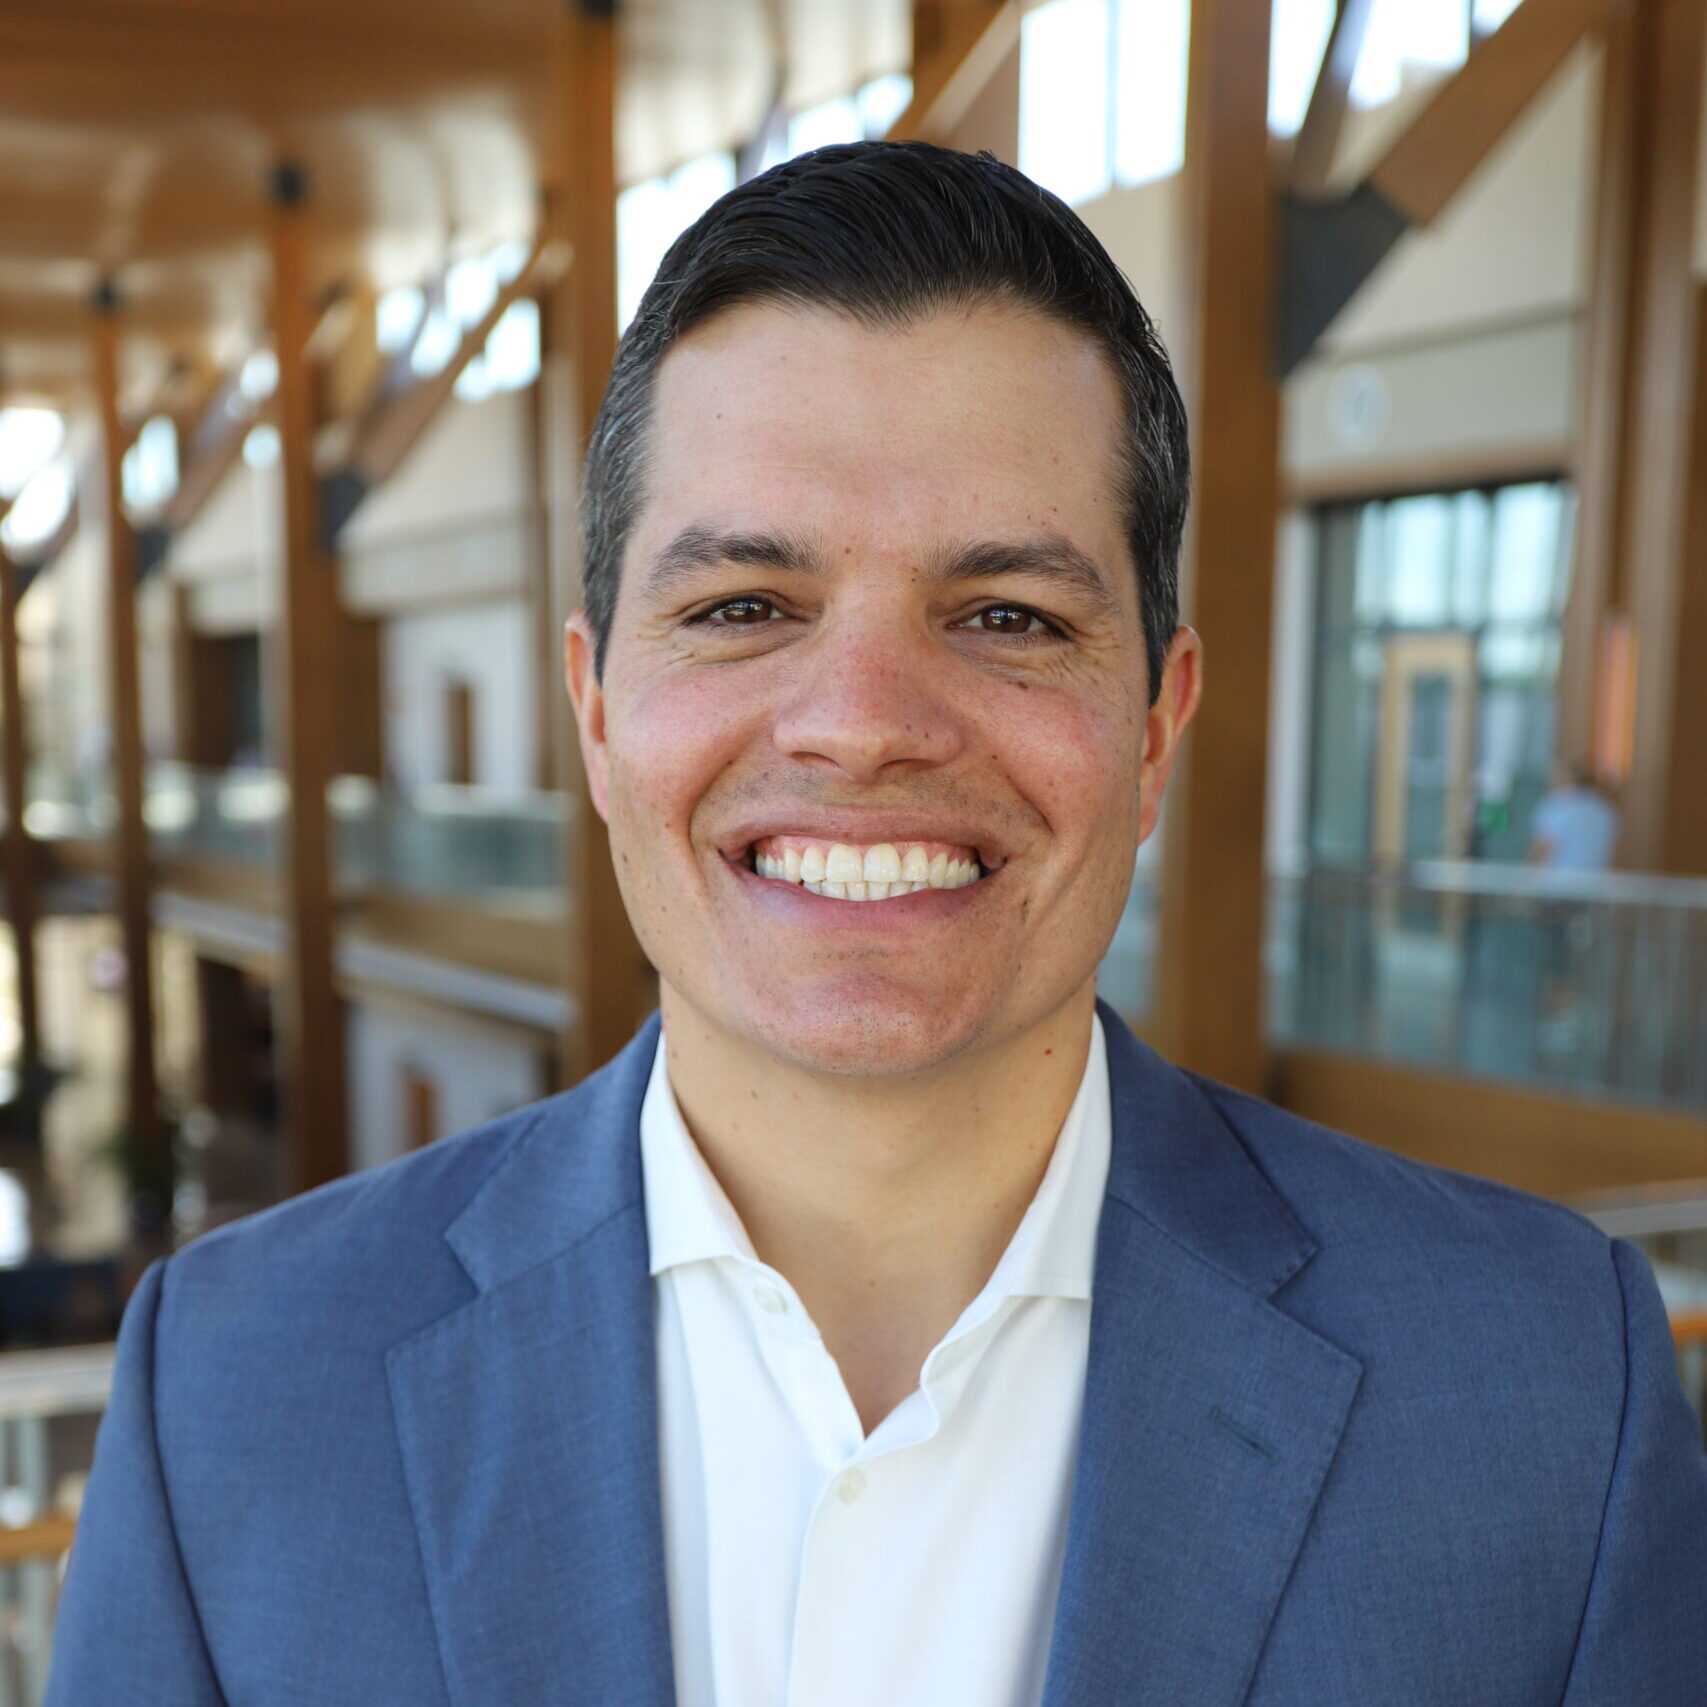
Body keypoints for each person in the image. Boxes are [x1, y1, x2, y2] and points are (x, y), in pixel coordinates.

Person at [49, 143, 1707, 1706]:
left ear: (1153, 725)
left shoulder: (1545, 1390)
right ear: (595, 706)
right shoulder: (238, 1393)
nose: (861, 722)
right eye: (744, 606)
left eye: (1002, 612)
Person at [1530, 759, 1621, 872]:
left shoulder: (1556, 803)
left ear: (1564, 776)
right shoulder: (1605, 810)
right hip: (1594, 884)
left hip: (1556, 884)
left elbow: (1543, 848)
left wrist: (1526, 882)